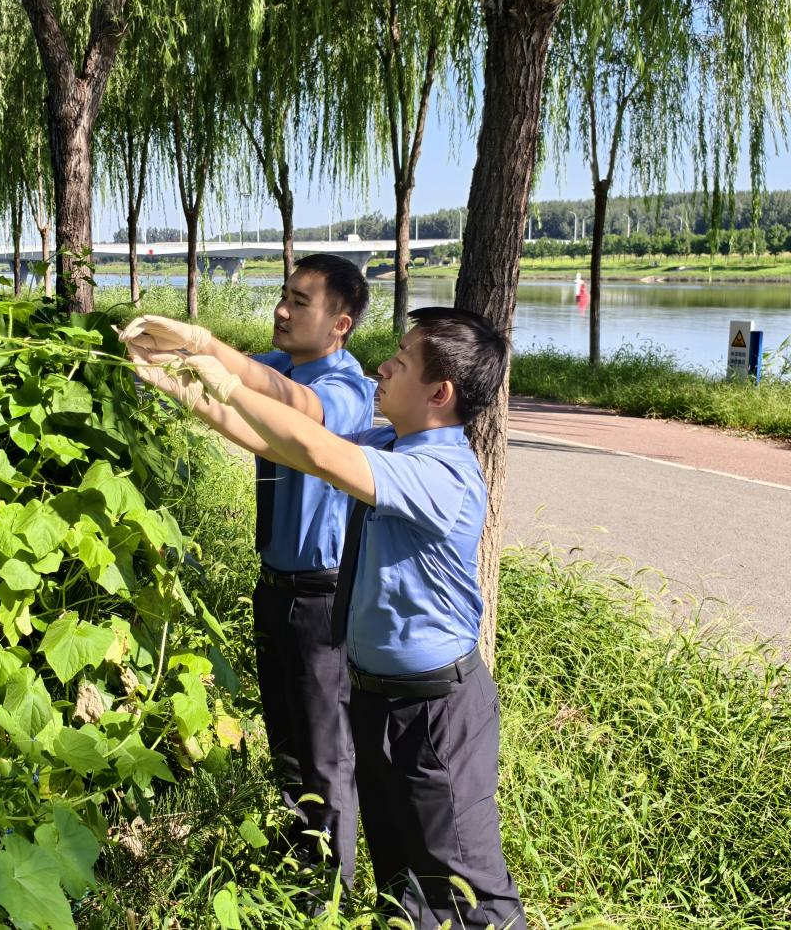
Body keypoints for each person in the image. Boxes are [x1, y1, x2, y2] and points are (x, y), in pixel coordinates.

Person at [128, 307, 522, 928]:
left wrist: (221, 374)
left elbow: (317, 446)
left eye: (402, 359)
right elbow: (281, 442)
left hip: (436, 714)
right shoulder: (392, 442)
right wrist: (186, 380)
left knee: (467, 885)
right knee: (401, 883)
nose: (383, 366)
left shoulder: (443, 475)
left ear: (439, 393)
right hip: (377, 700)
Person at [120, 254, 376, 894]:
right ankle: (294, 859)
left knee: (326, 751)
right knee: (286, 739)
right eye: (282, 295)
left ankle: (329, 891)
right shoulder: (286, 363)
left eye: (300, 301)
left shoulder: (346, 386)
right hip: (276, 585)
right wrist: (180, 356)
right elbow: (258, 378)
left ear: (339, 323)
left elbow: (297, 409)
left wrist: (206, 351)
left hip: (323, 595)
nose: (282, 310)